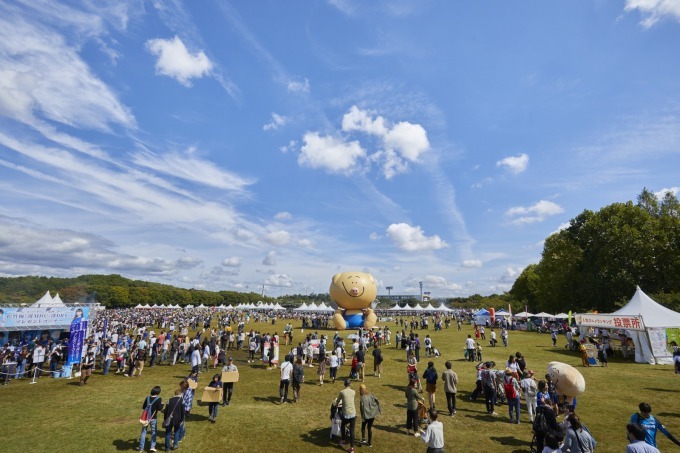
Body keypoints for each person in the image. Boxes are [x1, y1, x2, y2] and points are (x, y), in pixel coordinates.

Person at [139, 385, 163, 452]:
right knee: (154, 432)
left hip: (145, 418)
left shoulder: (147, 397)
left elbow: (144, 407)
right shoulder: (158, 399)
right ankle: (152, 446)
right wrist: (162, 404)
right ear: (158, 392)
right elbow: (160, 409)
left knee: (143, 432)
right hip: (153, 418)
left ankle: (141, 448)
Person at [335, 378, 357, 452]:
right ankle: (352, 447)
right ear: (349, 384)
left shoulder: (342, 392)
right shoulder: (353, 392)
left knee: (342, 425)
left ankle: (343, 440)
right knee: (352, 431)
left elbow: (338, 401)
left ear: (344, 384)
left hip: (346, 414)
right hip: (353, 414)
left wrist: (337, 405)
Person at [359, 383, 381, 448]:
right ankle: (369, 443)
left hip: (366, 416)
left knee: (363, 426)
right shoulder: (370, 395)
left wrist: (362, 415)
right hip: (372, 415)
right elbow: (376, 400)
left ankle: (363, 439)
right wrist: (376, 408)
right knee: (369, 428)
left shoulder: (362, 398)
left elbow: (361, 408)